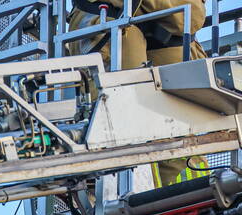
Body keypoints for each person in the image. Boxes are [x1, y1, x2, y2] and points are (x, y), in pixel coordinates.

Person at [66, 0, 209, 186]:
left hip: (157, 35)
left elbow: (191, 16)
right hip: (106, 21)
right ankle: (117, 188)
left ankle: (189, 196)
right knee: (122, 113)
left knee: (179, 130)